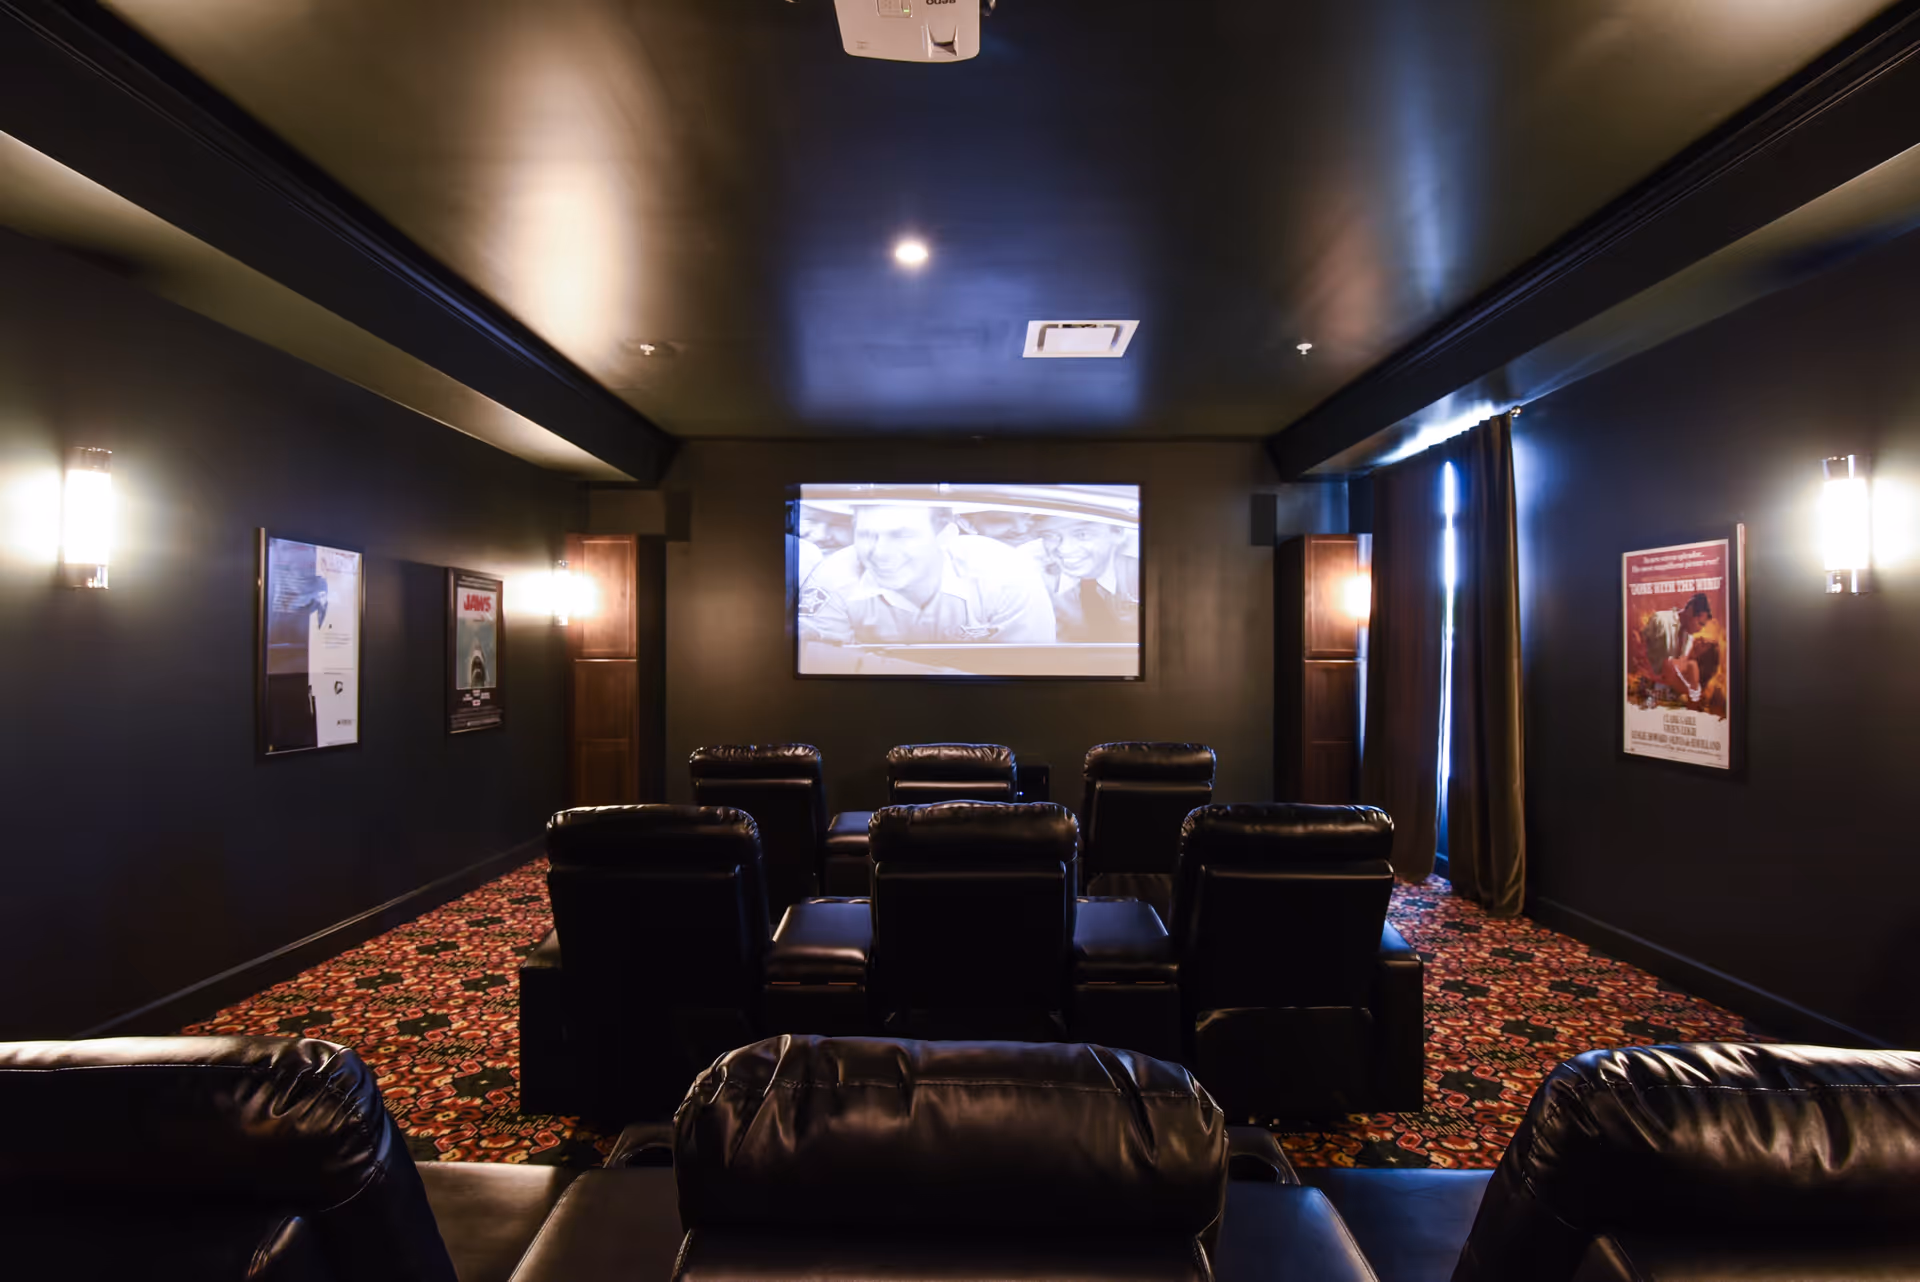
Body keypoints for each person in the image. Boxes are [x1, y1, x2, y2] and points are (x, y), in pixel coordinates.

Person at [799, 504, 1056, 646]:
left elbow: (1029, 668)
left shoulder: (1004, 572)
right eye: (866, 535)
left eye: (902, 536)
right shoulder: (834, 576)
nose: (879, 552)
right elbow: (818, 659)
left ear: (945, 535)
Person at [1033, 515, 1139, 642]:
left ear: (1117, 533)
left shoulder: (1142, 565)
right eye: (1050, 536)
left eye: (1082, 535)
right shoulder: (1030, 571)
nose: (1064, 549)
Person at [1640, 592, 1713, 705]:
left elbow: (1679, 665)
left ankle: (1693, 700)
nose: (1699, 629)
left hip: (1670, 683)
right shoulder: (1661, 620)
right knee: (1670, 664)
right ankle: (1694, 697)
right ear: (1690, 611)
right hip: (1652, 680)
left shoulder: (1689, 637)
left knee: (1691, 665)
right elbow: (1641, 647)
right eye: (1699, 623)